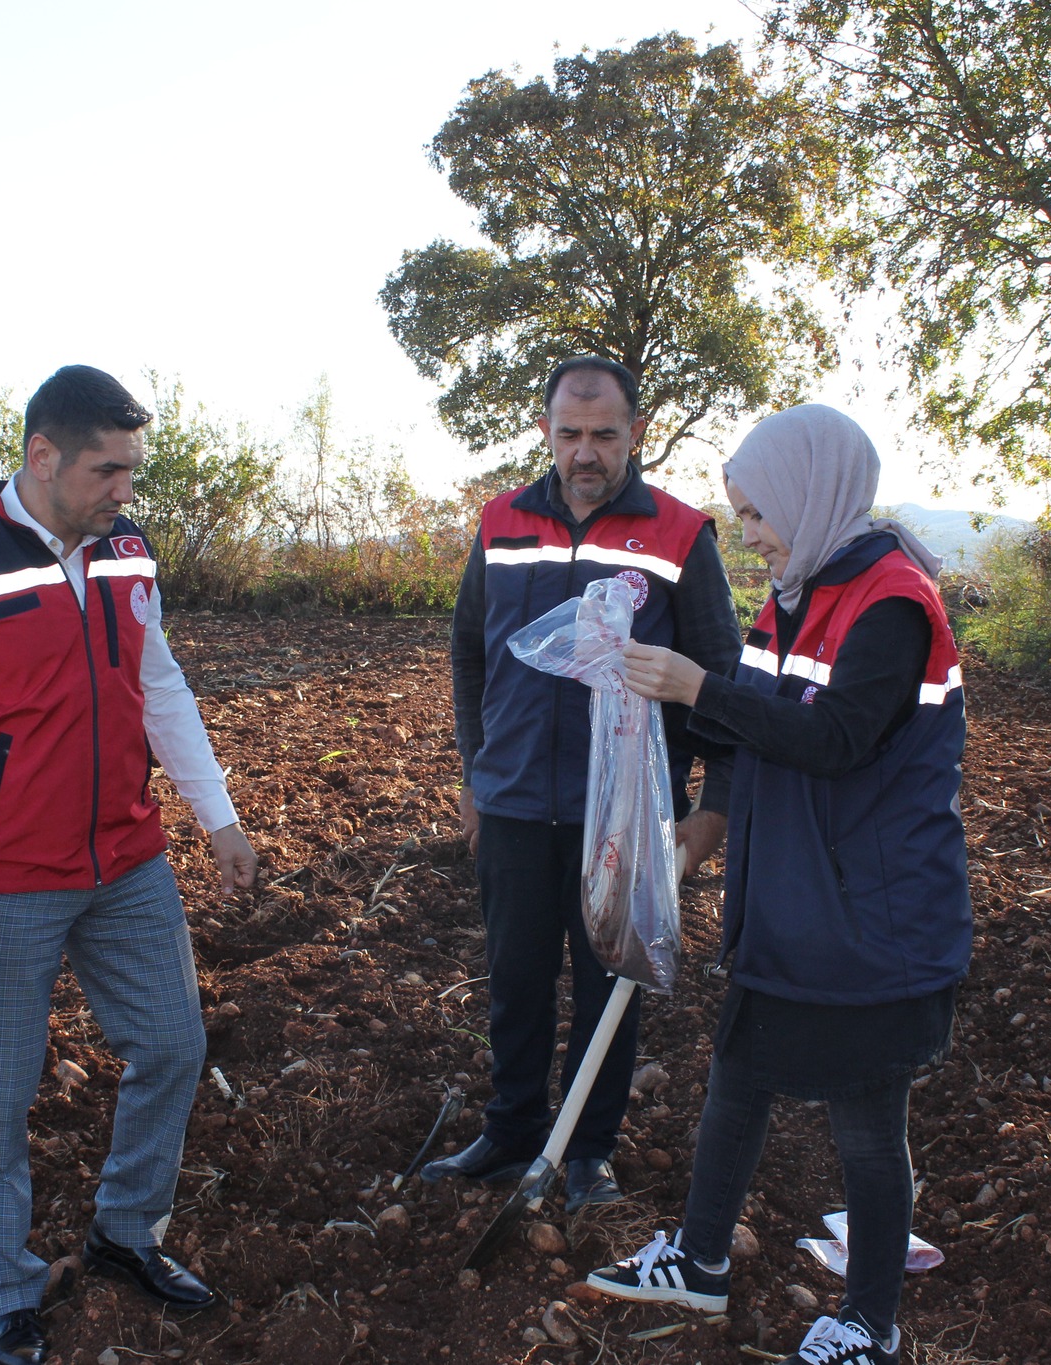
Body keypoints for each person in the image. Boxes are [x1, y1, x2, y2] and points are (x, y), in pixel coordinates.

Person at [0, 364, 257, 1365]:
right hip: (0, 877)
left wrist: (213, 815)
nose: (124, 491)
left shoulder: (127, 551)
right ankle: (5, 1289)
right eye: (107, 470)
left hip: (126, 857)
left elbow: (157, 681)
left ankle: (126, 1234)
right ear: (41, 457)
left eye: (131, 470)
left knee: (172, 1047)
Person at [583, 404, 972, 1365]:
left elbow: (837, 740)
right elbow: (753, 734)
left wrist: (695, 687)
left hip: (867, 921)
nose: (749, 534)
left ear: (813, 493)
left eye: (758, 513)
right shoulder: (793, 598)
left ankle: (869, 1320)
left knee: (870, 1127)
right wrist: (696, 816)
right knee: (738, 1074)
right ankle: (703, 1258)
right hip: (787, 903)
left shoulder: (890, 602)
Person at [428, 356, 742, 1208]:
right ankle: (510, 1131)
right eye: (570, 434)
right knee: (516, 976)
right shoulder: (501, 524)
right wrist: (474, 767)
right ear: (545, 433)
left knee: (612, 977)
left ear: (636, 433)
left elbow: (723, 681)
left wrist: (712, 810)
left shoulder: (681, 534)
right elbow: (468, 650)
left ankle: (588, 1151)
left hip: (629, 813)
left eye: (605, 434)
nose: (586, 452)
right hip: (516, 803)